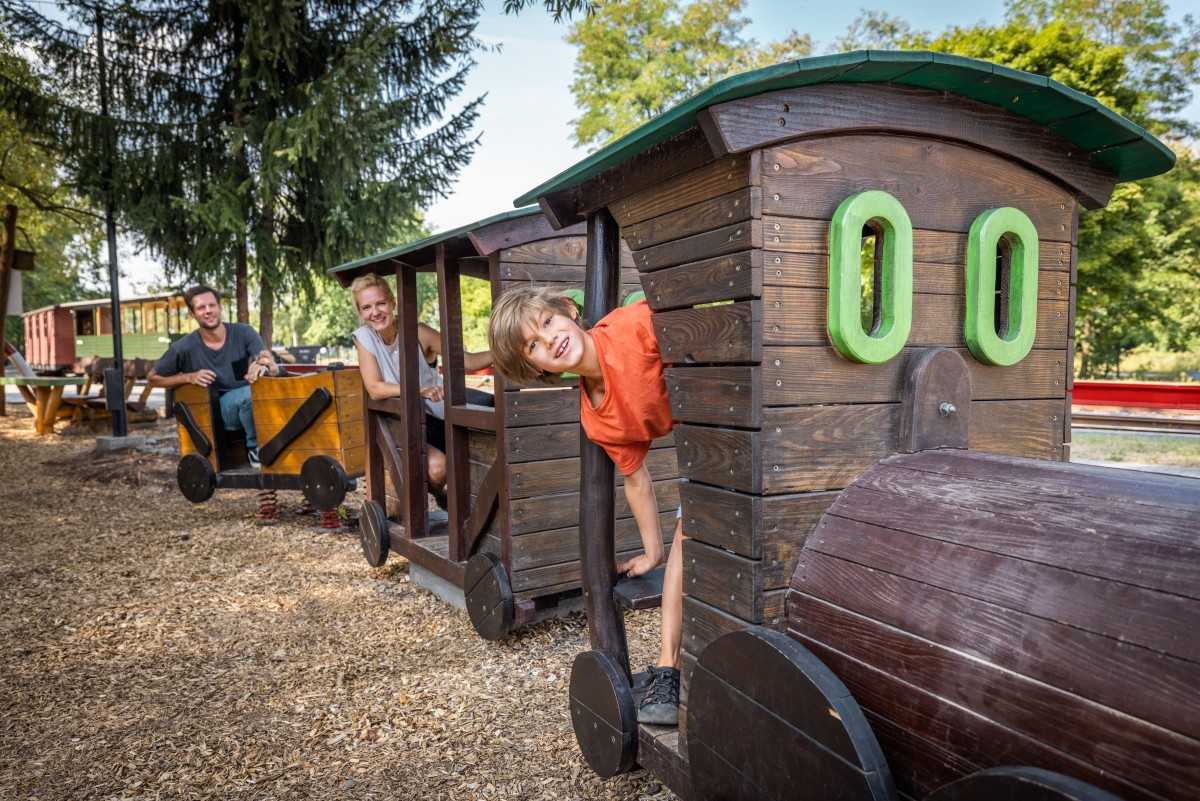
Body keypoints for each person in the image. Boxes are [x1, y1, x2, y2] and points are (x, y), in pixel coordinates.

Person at [487, 285, 683, 726]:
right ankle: (668, 670)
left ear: (567, 311)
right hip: (715, 451)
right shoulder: (597, 418)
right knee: (692, 529)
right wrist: (652, 552)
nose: (549, 339)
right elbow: (635, 478)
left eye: (548, 322)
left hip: (735, 410)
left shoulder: (636, 325)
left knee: (705, 521)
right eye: (533, 345)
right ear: (535, 367)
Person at [349, 273, 494, 505]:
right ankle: (441, 496)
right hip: (405, 423)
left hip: (441, 416)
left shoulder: (419, 332)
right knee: (438, 469)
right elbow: (374, 388)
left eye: (380, 303)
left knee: (486, 441)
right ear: (360, 313)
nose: (375, 312)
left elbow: (467, 361)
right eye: (366, 307)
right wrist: (420, 390)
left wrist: (504, 351)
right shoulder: (364, 338)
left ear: (393, 302)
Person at [147, 285, 281, 467]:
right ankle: (255, 449)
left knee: (275, 390)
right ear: (192, 314)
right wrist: (188, 377)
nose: (208, 311)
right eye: (201, 307)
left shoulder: (244, 332)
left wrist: (263, 364)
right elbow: (153, 378)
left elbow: (271, 365)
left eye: (212, 305)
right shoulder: (183, 347)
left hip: (252, 405)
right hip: (217, 412)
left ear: (220, 307)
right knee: (248, 395)